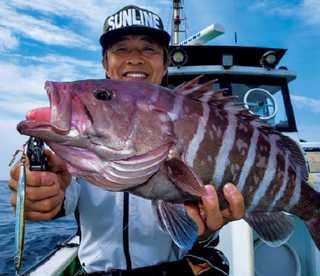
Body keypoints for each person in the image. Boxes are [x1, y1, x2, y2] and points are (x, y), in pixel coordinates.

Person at [8, 5, 245, 276]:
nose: (134, 59)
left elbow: (200, 232)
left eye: (148, 49)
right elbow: (63, 194)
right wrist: (43, 193)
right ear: (105, 64)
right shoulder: (75, 143)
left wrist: (209, 229)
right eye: (121, 49)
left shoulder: (192, 116)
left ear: (165, 63)